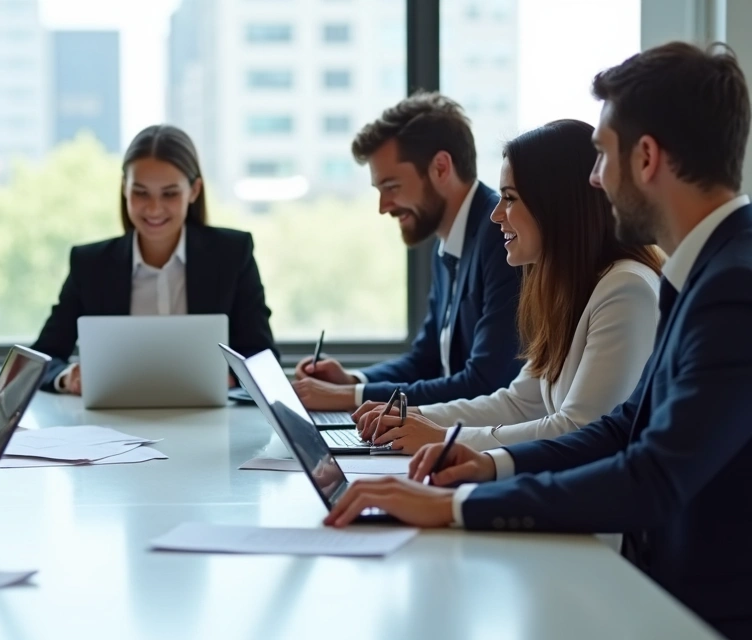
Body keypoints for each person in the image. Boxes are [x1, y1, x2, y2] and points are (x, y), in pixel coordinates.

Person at [325, 42, 752, 639]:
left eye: (602, 156)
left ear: (648, 157)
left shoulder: (731, 284)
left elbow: (654, 475)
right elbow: (622, 426)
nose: (595, 180)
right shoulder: (704, 272)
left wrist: (457, 505)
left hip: (696, 614)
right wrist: (485, 462)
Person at [352, 119, 662, 453]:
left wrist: (442, 439)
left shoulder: (626, 290)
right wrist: (411, 418)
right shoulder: (572, 290)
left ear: (556, 205)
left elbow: (579, 430)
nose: (496, 215)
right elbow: (518, 404)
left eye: (510, 198)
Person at [294, 93, 522, 411]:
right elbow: (426, 360)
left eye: (392, 187)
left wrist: (349, 398)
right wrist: (353, 381)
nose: (383, 206)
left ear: (441, 168)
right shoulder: (448, 244)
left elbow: (485, 383)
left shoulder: (500, 237)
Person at [30, 124, 276, 393]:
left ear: (194, 191)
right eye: (140, 192)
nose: (154, 208)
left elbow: (263, 358)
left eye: (170, 193)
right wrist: (68, 377)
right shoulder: (90, 265)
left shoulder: (232, 254)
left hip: (211, 421)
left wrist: (230, 378)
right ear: (124, 188)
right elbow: (42, 360)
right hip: (112, 425)